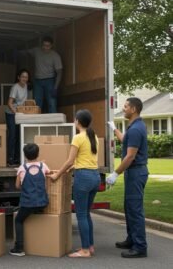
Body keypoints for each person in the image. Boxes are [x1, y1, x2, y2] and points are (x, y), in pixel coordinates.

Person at [50, 109, 100, 258]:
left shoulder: (78, 137)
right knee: (86, 214)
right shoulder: (93, 136)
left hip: (83, 178)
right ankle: (89, 246)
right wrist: (70, 168)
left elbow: (70, 160)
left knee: (81, 214)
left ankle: (84, 251)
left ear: (77, 121)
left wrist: (57, 174)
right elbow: (85, 159)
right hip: (95, 176)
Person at [107, 97, 148, 258]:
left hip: (136, 172)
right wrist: (114, 129)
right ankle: (131, 239)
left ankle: (140, 247)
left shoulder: (137, 129)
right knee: (129, 207)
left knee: (135, 210)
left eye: (125, 106)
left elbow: (130, 156)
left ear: (134, 109)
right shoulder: (134, 127)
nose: (123, 109)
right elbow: (126, 141)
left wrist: (116, 173)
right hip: (134, 173)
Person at [9, 143, 50, 256]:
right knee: (32, 209)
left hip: (28, 203)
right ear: (38, 154)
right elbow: (47, 173)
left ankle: (19, 248)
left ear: (25, 155)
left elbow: (17, 185)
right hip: (42, 202)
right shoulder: (43, 165)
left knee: (18, 220)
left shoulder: (22, 168)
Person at [21, 36, 62, 113]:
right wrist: (18, 52)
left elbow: (59, 72)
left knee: (52, 103)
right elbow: (27, 52)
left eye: (48, 46)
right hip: (38, 81)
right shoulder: (37, 51)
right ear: (41, 45)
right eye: (44, 45)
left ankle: (53, 122)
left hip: (50, 80)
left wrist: (55, 87)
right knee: (37, 103)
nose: (45, 47)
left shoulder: (55, 56)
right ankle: (37, 122)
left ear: (51, 46)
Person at [5, 69, 29, 166]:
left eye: (26, 77)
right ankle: (10, 159)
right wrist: (16, 113)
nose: (25, 79)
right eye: (23, 76)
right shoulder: (15, 87)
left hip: (20, 114)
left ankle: (17, 158)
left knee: (20, 135)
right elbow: (9, 103)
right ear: (18, 77)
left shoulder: (26, 86)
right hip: (11, 113)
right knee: (12, 136)